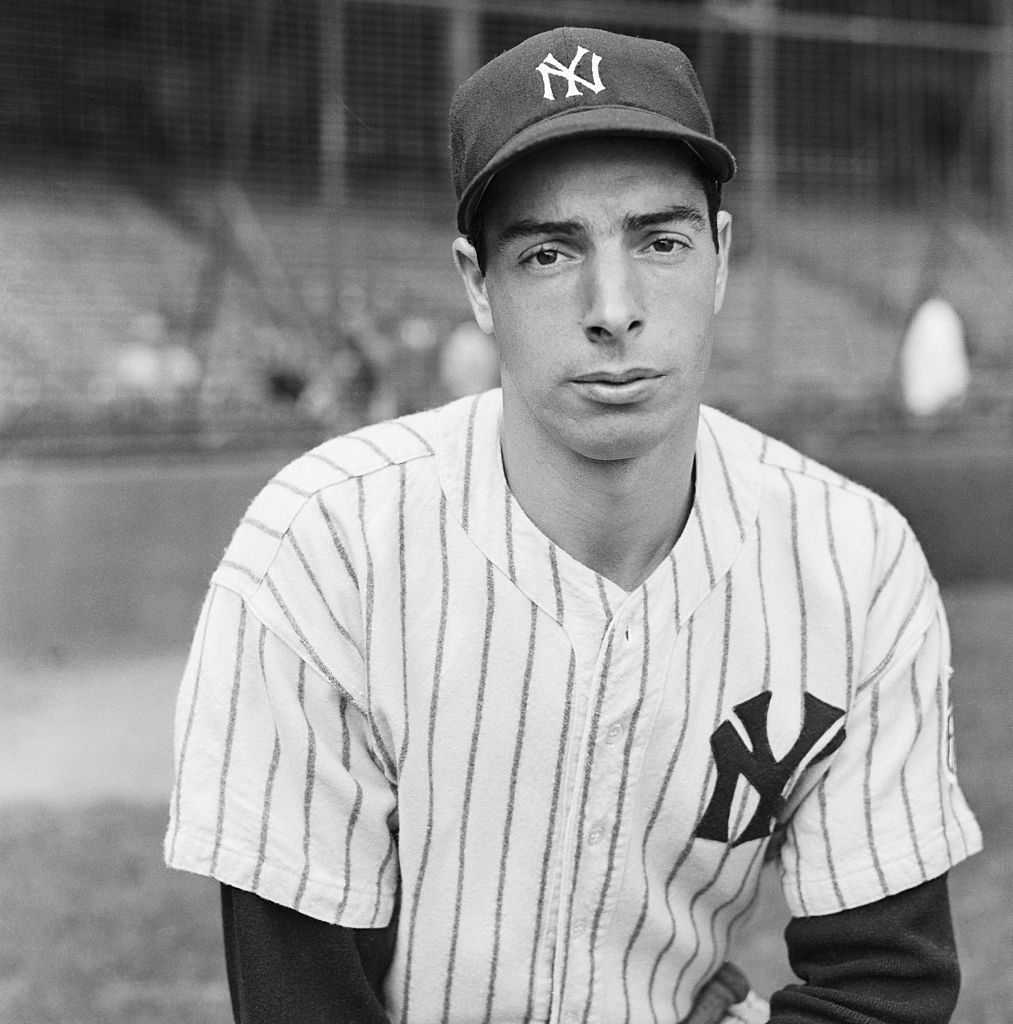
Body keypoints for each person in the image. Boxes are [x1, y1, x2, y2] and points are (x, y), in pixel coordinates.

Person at [164, 26, 982, 1024]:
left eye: (660, 241)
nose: (612, 307)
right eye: (549, 252)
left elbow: (886, 991)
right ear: (476, 283)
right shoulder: (324, 549)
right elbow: (303, 1005)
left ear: (719, 259)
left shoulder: (854, 564)